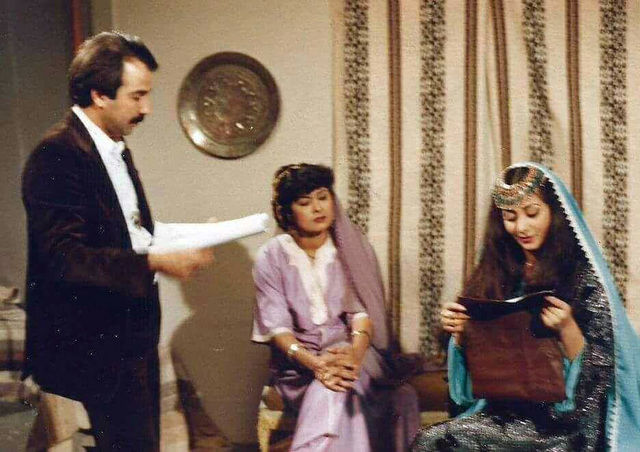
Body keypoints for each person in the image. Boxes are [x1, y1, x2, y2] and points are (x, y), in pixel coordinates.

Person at [22, 31, 214, 451]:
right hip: (92, 351)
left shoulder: (114, 147)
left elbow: (127, 233)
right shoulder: (57, 154)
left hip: (131, 343)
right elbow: (65, 259)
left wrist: (187, 238)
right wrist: (156, 262)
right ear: (99, 95)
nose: (147, 109)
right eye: (137, 96)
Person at [411, 162, 640, 451]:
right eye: (510, 217)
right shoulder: (497, 272)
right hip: (502, 413)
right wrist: (459, 333)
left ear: (554, 212)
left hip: (563, 425)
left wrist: (568, 328)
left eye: (532, 213)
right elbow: (465, 395)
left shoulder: (584, 277)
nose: (521, 227)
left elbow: (595, 388)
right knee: (432, 440)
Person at [252, 164, 420, 451]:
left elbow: (361, 315)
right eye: (304, 202)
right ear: (286, 211)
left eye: (323, 197)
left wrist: (354, 356)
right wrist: (316, 364)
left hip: (354, 355)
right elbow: (277, 328)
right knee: (335, 388)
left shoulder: (350, 248)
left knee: (344, 385)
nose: (317, 208)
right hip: (299, 367)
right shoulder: (272, 256)